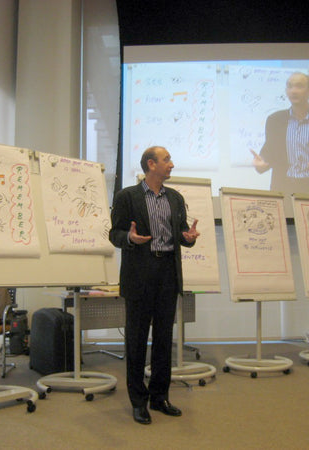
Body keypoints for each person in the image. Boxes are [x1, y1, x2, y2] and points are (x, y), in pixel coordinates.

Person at [109, 146, 199, 425]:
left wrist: (188, 237)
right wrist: (129, 238)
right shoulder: (127, 196)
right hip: (139, 273)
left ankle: (160, 397)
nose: (171, 164)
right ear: (151, 164)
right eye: (166, 160)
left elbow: (180, 234)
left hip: (167, 273)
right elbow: (114, 233)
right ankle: (139, 401)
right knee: (136, 340)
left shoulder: (175, 198)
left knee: (163, 339)